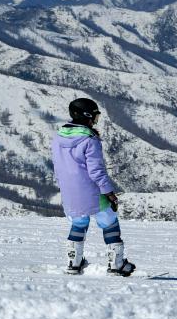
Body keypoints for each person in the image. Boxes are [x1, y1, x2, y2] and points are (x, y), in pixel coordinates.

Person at [51, 98, 136, 276]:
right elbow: (96, 171)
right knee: (110, 223)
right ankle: (116, 265)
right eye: (95, 116)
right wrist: (109, 193)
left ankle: (73, 263)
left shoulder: (58, 137)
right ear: (87, 116)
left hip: (70, 192)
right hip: (92, 192)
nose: (96, 120)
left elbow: (58, 167)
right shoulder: (90, 139)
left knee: (78, 224)